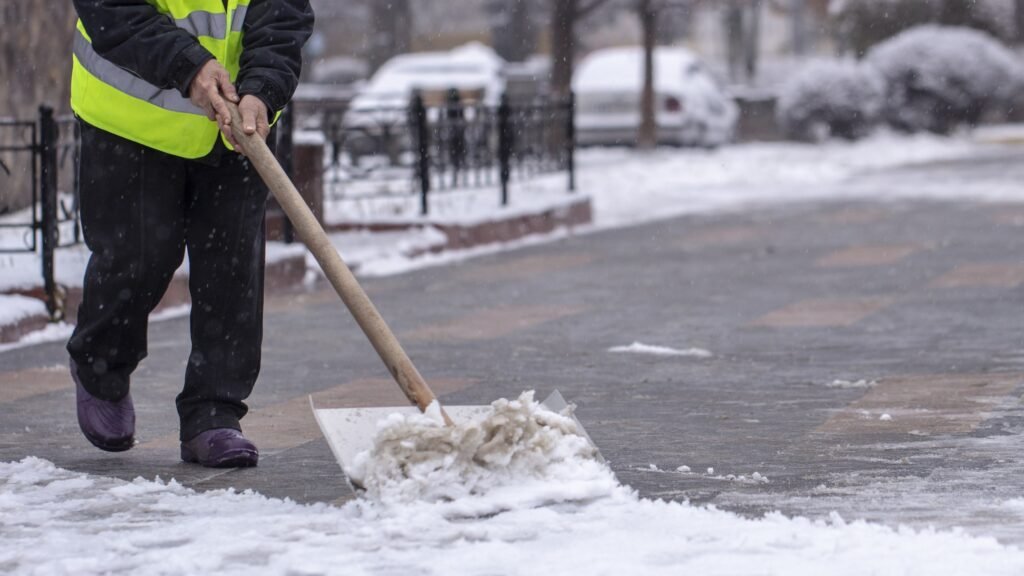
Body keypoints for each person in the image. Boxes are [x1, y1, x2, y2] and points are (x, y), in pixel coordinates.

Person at [66, 0, 314, 468]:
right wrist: (188, 65)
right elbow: (111, 11)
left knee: (232, 270)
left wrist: (263, 89)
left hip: (238, 122)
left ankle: (214, 413)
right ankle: (101, 365)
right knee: (139, 257)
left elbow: (283, 15)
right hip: (131, 119)